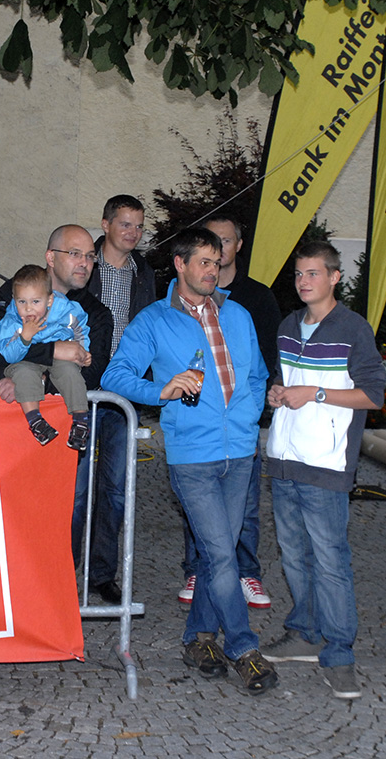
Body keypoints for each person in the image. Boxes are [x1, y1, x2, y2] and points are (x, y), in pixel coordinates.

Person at [102, 227, 277, 694]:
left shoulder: (237, 314)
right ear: (179, 264)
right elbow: (115, 374)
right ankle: (243, 647)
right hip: (192, 458)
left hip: (240, 453)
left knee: (215, 553)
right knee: (221, 554)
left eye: (216, 263)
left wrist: (246, 417)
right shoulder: (154, 320)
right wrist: (160, 390)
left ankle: (198, 638)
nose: (212, 270)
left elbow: (257, 374)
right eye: (203, 262)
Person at [259, 240, 384, 700]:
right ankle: (305, 632)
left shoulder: (353, 328)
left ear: (334, 277)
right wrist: (278, 393)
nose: (303, 281)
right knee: (293, 555)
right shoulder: (289, 325)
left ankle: (339, 653)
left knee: (330, 561)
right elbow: (286, 381)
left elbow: (373, 394)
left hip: (327, 464)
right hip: (285, 458)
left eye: (313, 273)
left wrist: (315, 394)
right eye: (298, 274)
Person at [0, 224, 113, 566]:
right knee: (2, 507)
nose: (84, 263)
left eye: (90, 256)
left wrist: (37, 377)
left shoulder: (94, 313)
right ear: (50, 257)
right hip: (7, 426)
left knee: (68, 507)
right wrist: (53, 351)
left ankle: (62, 581)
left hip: (64, 431)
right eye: (75, 254)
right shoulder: (16, 291)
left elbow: (92, 370)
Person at [178, 213, 280, 609]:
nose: (218, 249)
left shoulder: (257, 298)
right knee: (198, 506)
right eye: (210, 242)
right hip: (200, 426)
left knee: (246, 507)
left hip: (240, 425)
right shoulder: (188, 296)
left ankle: (247, 572)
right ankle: (197, 569)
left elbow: (265, 361)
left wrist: (250, 413)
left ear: (238, 246)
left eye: (225, 241)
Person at [87, 194, 157, 604]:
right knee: (75, 490)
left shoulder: (144, 274)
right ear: (106, 224)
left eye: (139, 226)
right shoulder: (85, 262)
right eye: (125, 224)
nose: (133, 232)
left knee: (114, 490)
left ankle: (101, 574)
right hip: (79, 389)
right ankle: (62, 568)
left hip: (122, 395)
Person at [0, 263, 91, 448]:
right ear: (14, 300)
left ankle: (81, 420)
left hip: (59, 357)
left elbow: (80, 327)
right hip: (27, 360)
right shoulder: (11, 320)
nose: (28, 309)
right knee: (23, 374)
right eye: (22, 302)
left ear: (49, 300)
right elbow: (8, 355)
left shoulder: (64, 310)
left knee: (70, 372)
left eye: (35, 302)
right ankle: (35, 421)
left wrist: (82, 350)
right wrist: (24, 338)